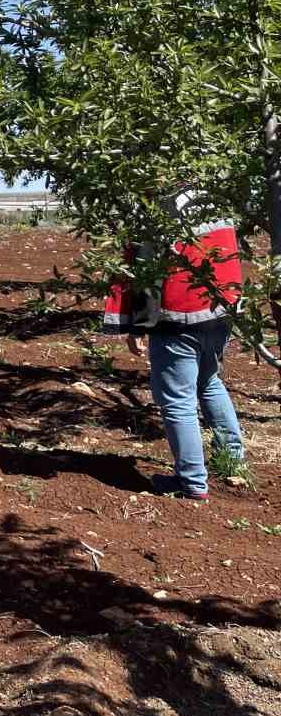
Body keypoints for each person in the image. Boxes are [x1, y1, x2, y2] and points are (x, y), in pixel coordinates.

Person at [103, 188, 246, 501]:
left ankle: (191, 482)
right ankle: (232, 460)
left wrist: (138, 325)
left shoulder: (157, 203)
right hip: (220, 308)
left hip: (179, 315)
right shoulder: (210, 192)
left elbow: (145, 269)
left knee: (177, 400)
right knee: (208, 380)